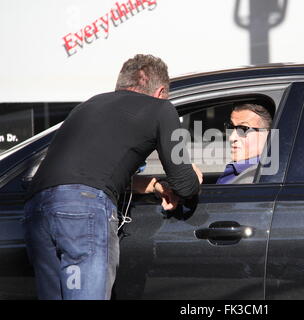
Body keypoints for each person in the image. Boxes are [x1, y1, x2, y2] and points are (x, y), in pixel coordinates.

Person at [23, 54, 202, 300]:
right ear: (161, 91)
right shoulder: (161, 109)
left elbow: (88, 172)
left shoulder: (87, 106)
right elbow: (184, 184)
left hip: (37, 211)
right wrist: (194, 177)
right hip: (82, 211)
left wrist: (151, 186)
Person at [216, 103, 272, 184]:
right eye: (230, 127)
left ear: (268, 134)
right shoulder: (242, 170)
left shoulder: (256, 180)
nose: (232, 138)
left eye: (243, 129)